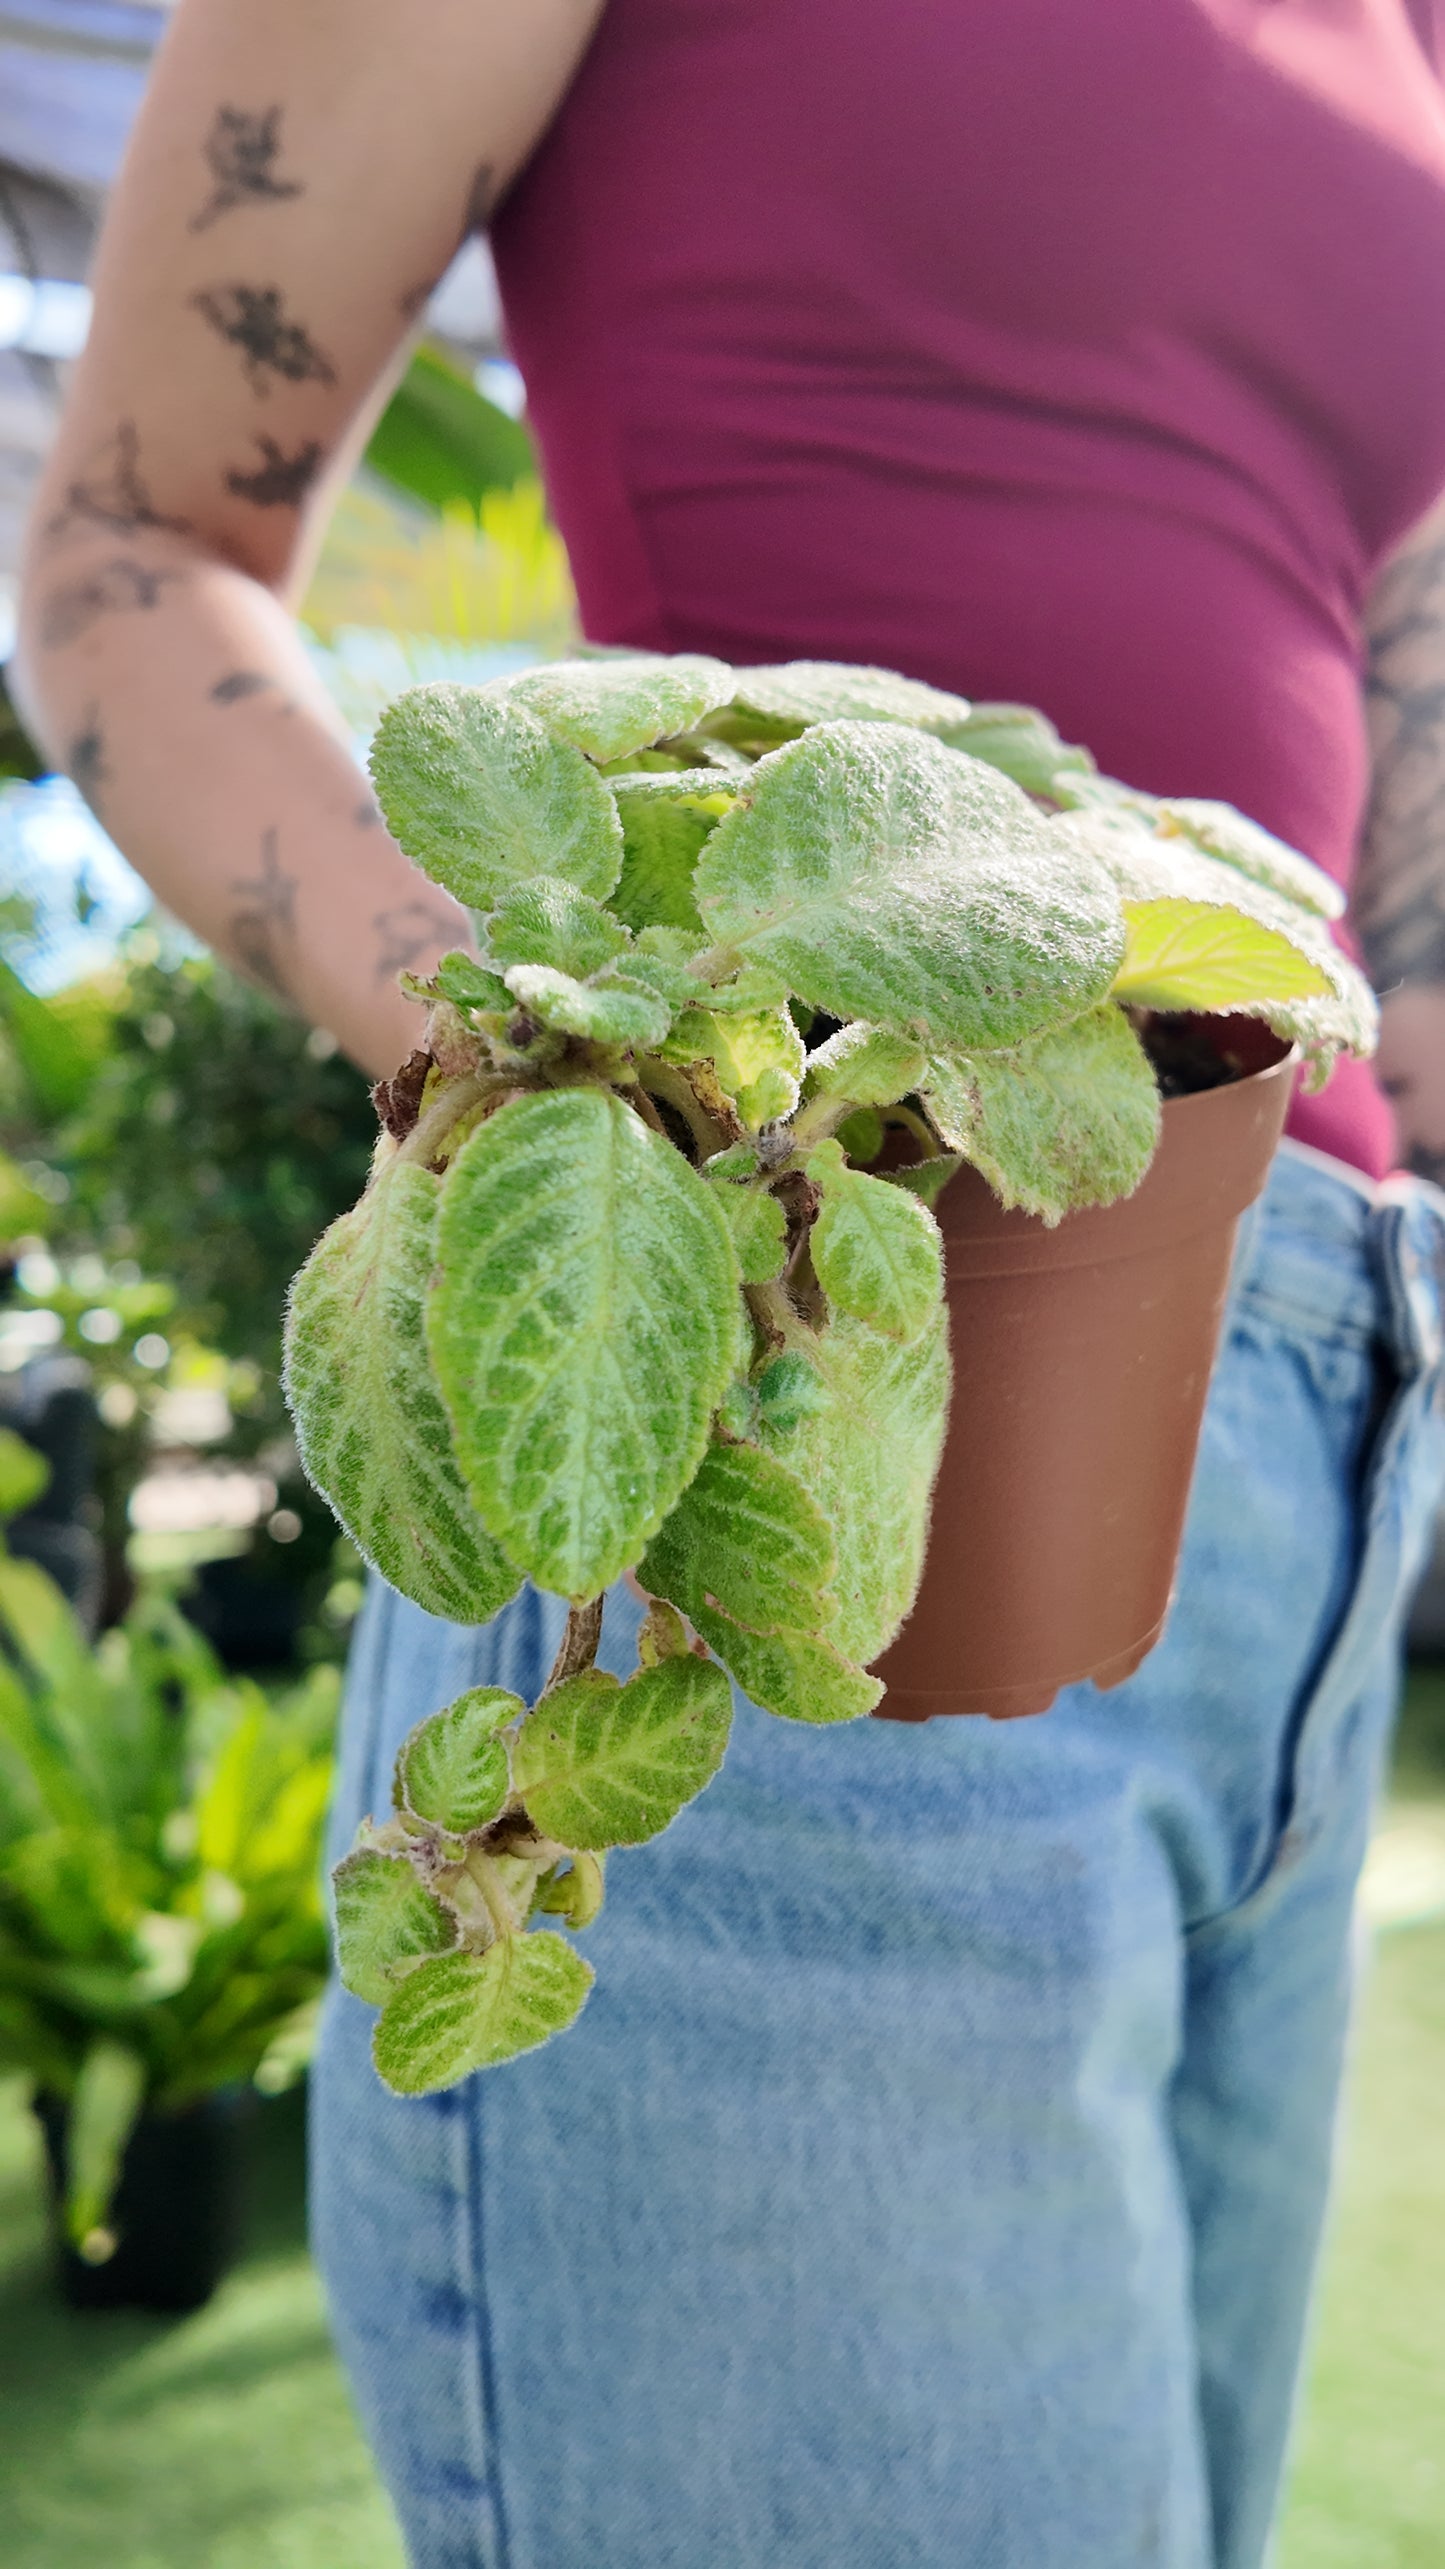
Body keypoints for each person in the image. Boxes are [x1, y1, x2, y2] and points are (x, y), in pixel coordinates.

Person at [15, 4, 1445, 2562]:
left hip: (1312, 1420)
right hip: (799, 1349)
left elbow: (1374, 700)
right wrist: (562, 1072)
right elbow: (129, 560)